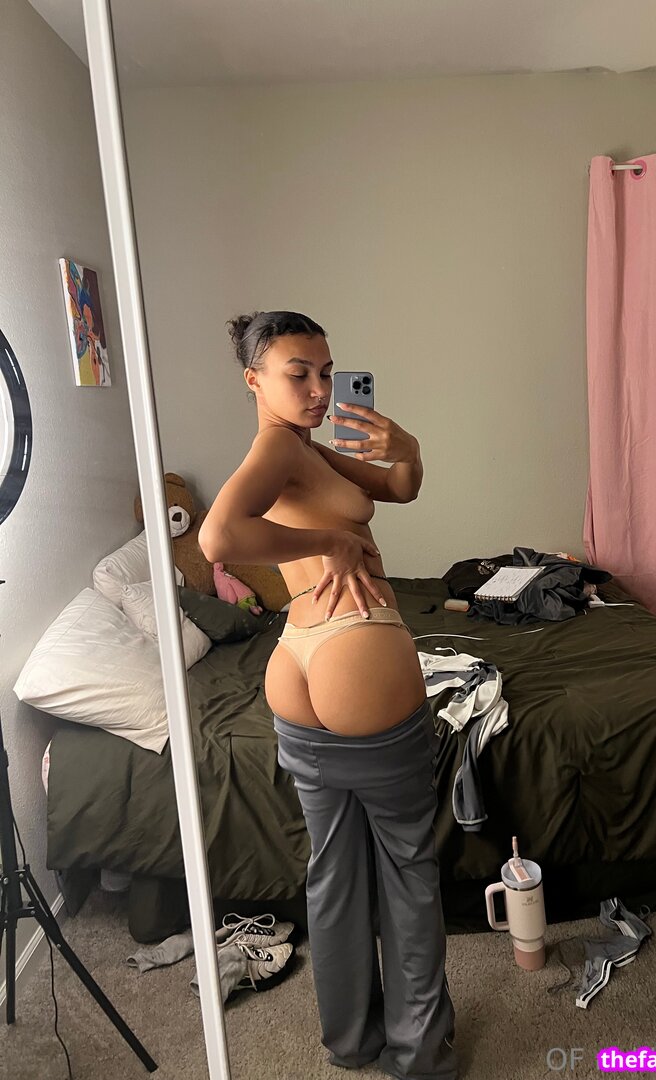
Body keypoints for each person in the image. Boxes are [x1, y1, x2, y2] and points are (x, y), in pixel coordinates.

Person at [198, 311, 458, 1080]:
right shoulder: (278, 448)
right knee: (407, 867)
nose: (318, 389)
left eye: (325, 372)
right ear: (253, 380)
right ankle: (420, 1057)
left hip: (297, 665)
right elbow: (218, 539)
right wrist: (330, 542)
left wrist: (407, 449)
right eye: (297, 374)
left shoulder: (306, 449)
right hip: (354, 651)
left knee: (335, 869)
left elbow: (399, 488)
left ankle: (351, 1041)